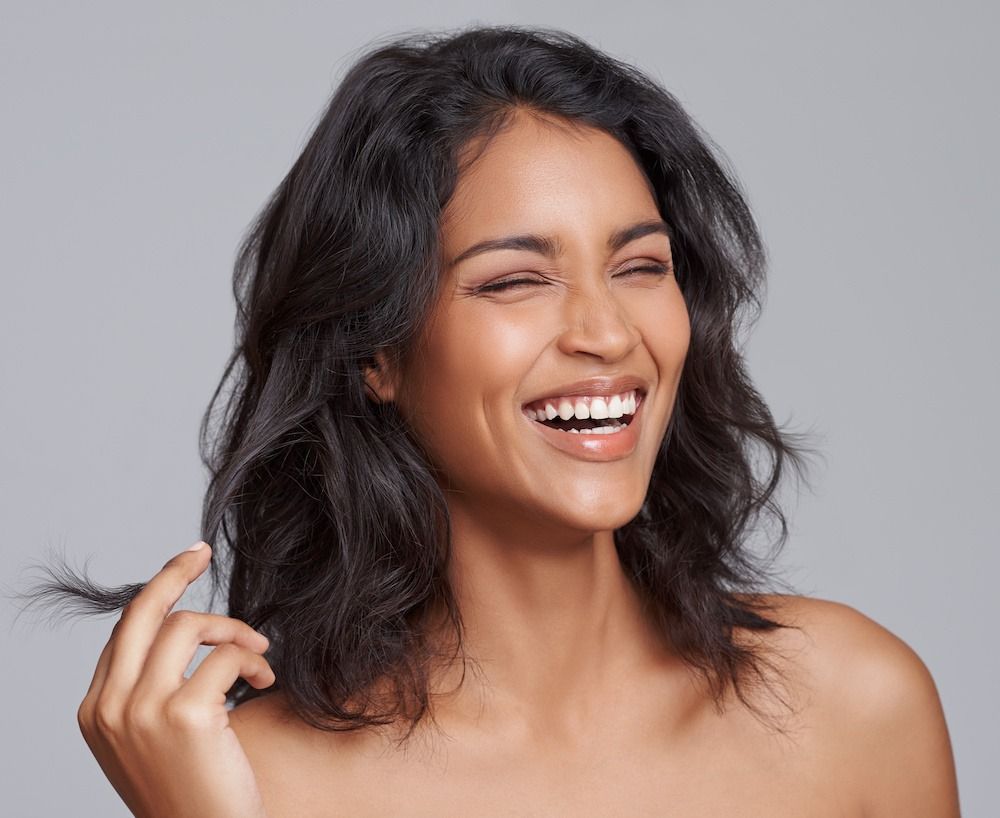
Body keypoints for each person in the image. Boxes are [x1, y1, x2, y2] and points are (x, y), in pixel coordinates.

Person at [23, 24, 960, 817]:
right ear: (374, 353)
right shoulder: (257, 785)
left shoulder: (856, 706)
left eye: (640, 267)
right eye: (515, 281)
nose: (607, 333)